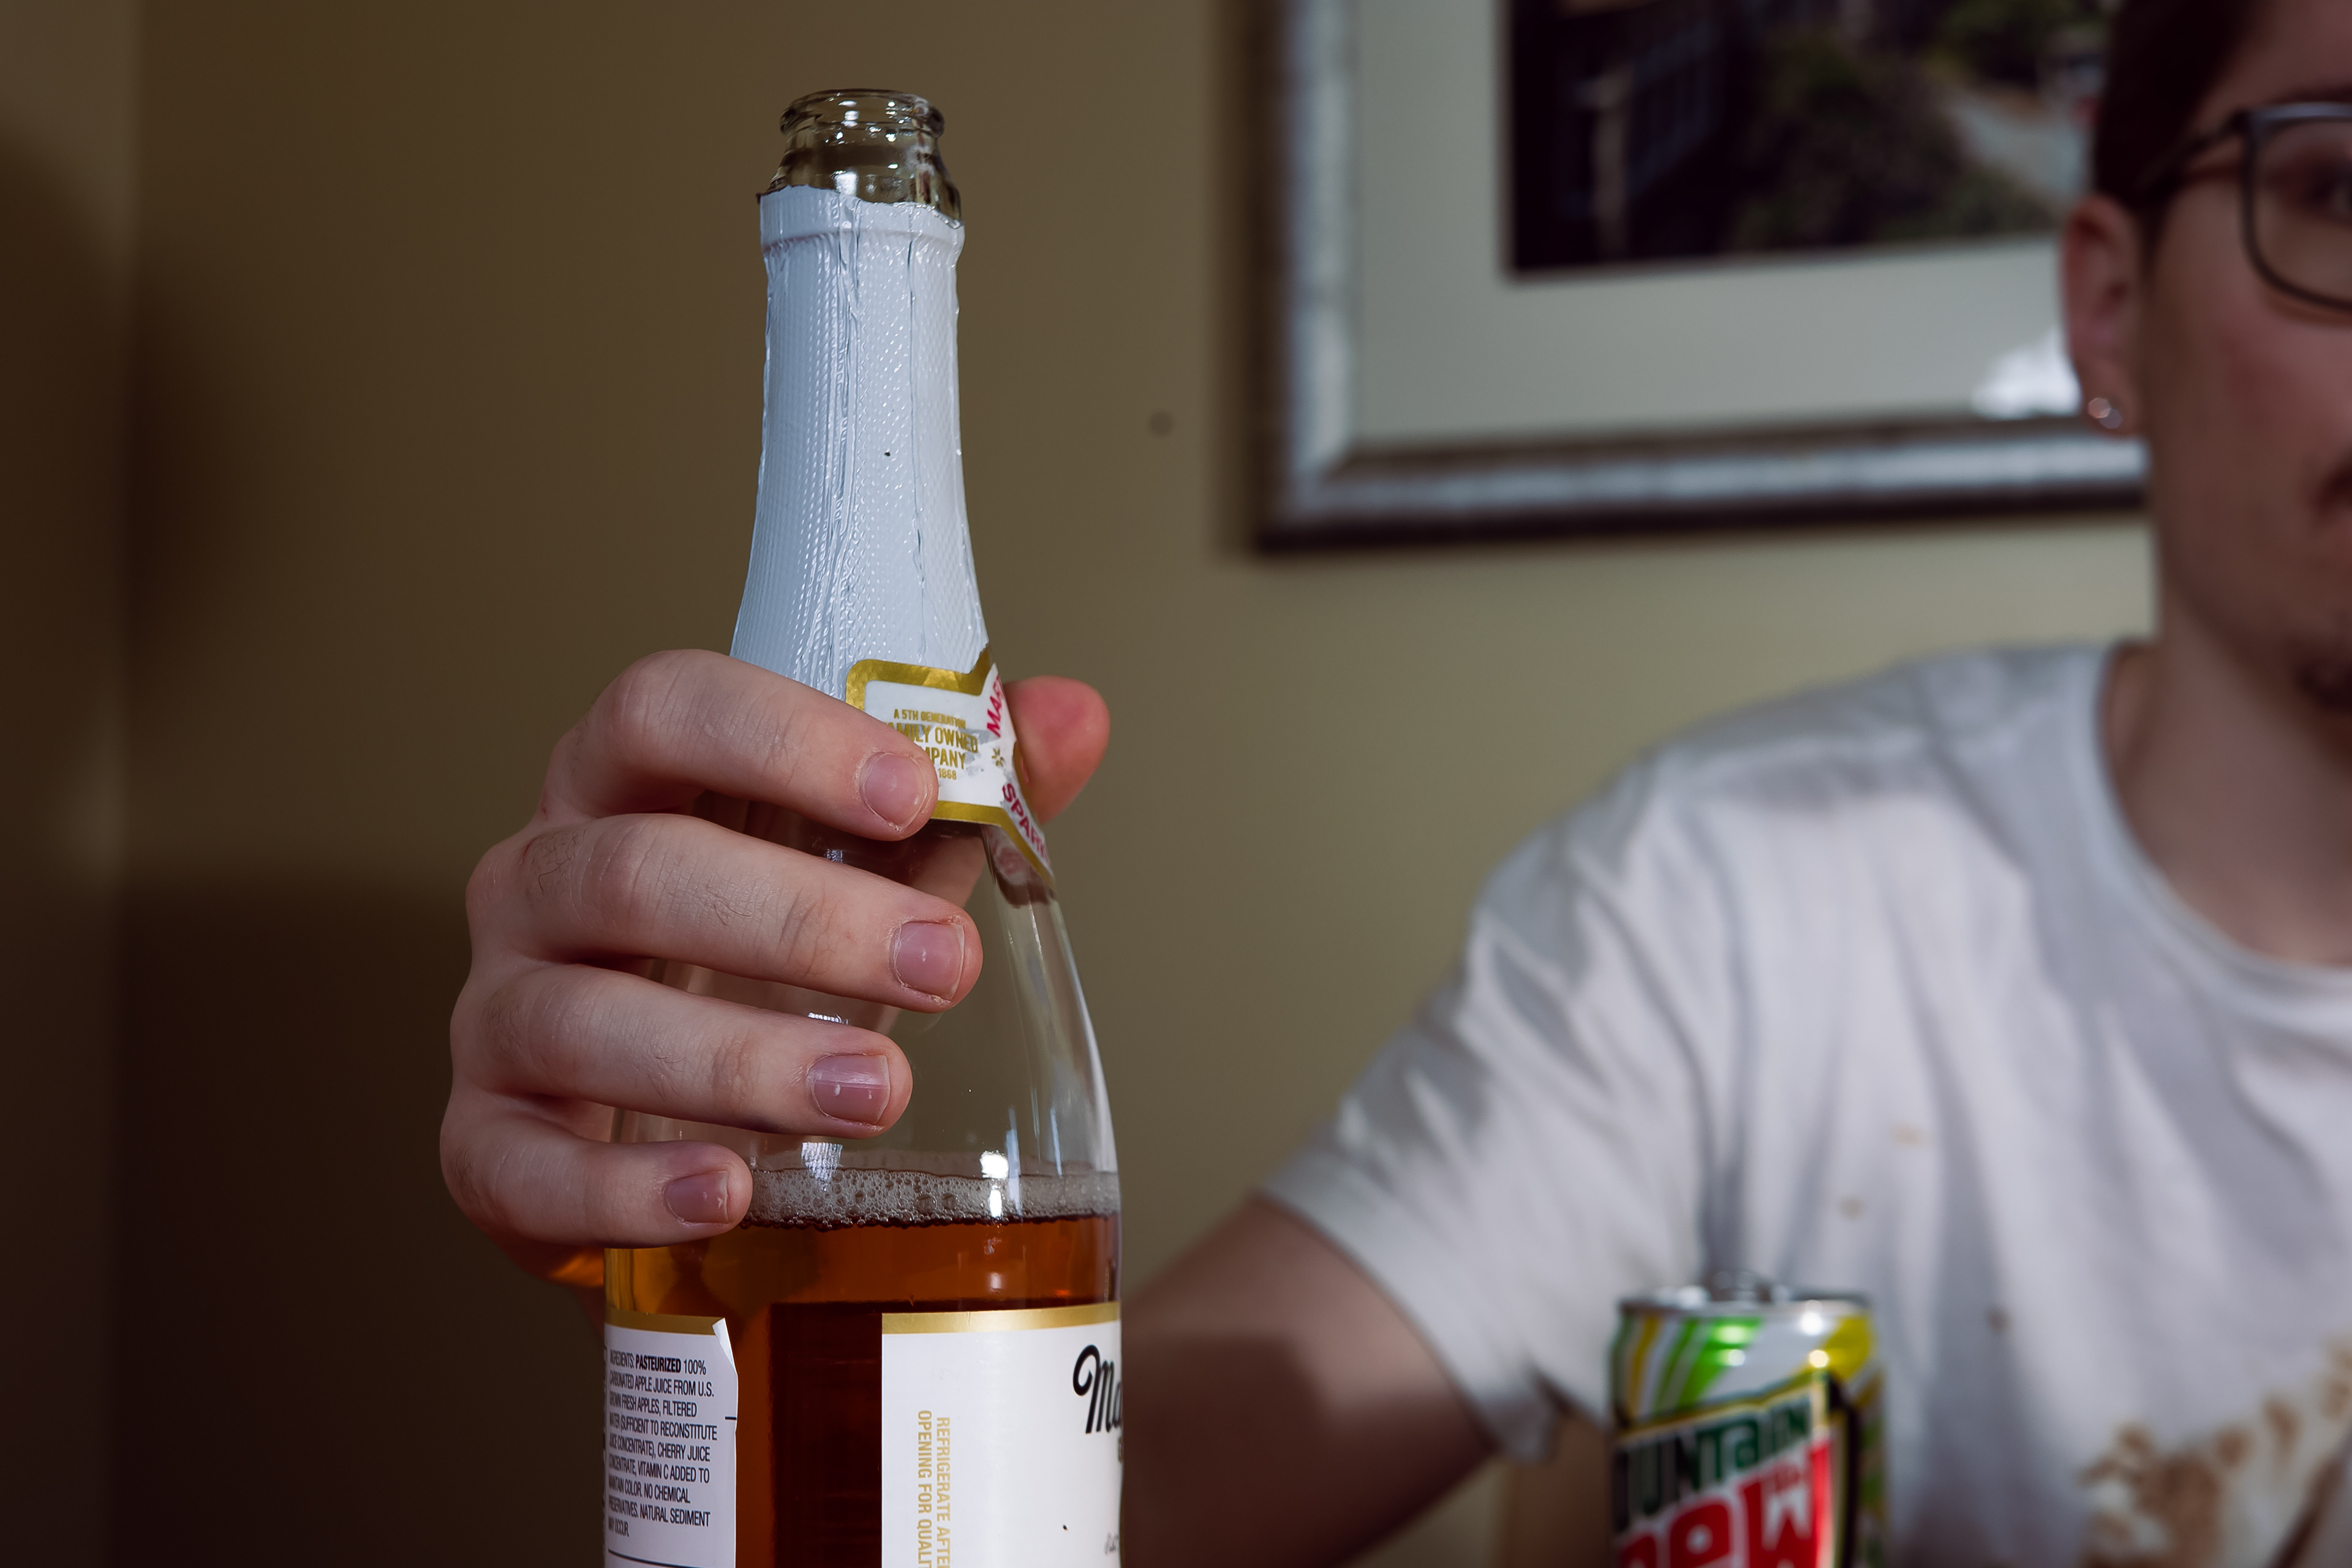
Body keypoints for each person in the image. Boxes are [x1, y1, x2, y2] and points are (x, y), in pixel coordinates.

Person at [442, 0, 2352, 1559]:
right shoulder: (1743, 902)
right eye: (2337, 186)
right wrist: (773, 1281)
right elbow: (1109, 1503)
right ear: (2108, 307)